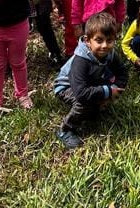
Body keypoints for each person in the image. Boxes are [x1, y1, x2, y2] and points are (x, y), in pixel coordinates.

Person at [54, 12, 129, 149]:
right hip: (67, 87)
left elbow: (122, 72)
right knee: (84, 102)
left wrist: (116, 89)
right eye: (99, 40)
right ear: (87, 40)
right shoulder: (80, 60)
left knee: (98, 97)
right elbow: (81, 93)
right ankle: (65, 130)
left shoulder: (110, 53)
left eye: (109, 41)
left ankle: (95, 109)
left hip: (90, 82)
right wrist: (107, 91)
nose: (104, 45)